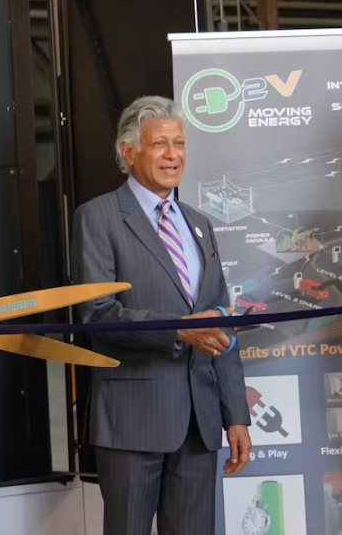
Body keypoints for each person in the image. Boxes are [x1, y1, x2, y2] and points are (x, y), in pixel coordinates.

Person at [71, 95, 252, 535]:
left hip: (199, 422)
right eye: (160, 145)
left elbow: (220, 322)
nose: (173, 155)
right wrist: (179, 332)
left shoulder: (200, 223)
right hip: (134, 420)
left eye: (180, 143)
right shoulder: (97, 218)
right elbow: (96, 315)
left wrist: (236, 414)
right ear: (128, 151)